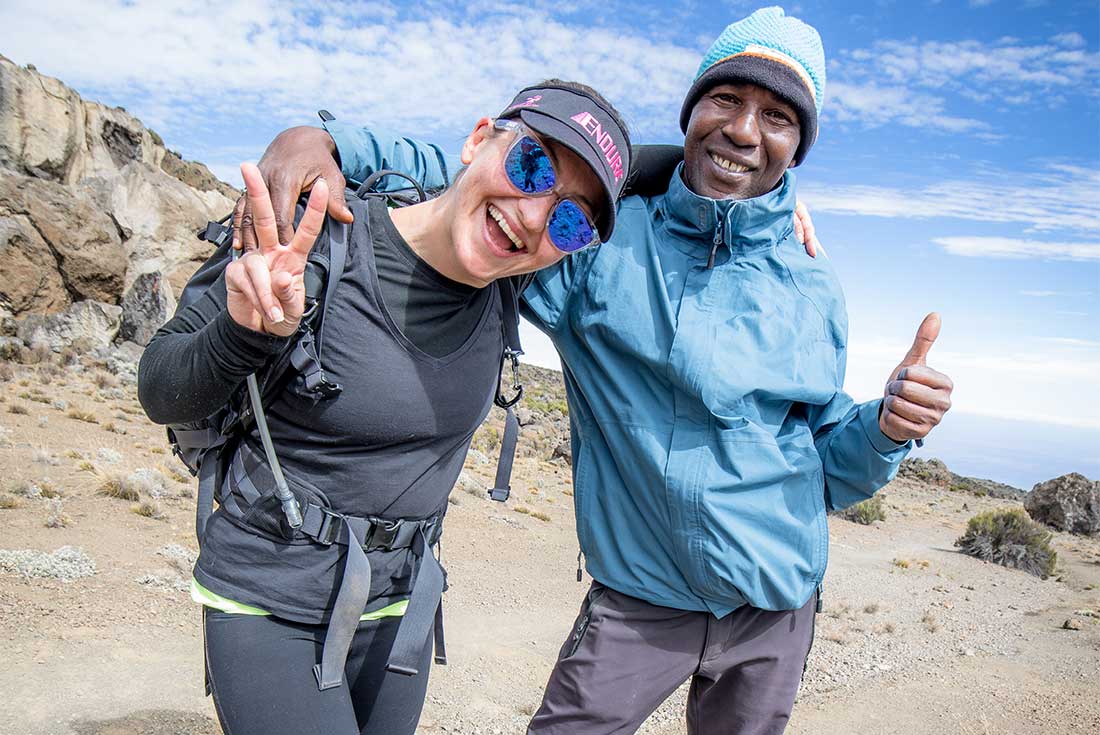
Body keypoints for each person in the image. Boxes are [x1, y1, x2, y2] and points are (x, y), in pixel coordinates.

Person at [235, 7, 955, 735]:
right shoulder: (595, 243)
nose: (743, 128)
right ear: (692, 110)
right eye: (726, 99)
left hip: (776, 610)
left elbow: (828, 463)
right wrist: (327, 141)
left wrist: (887, 427)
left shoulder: (810, 283)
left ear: (798, 147)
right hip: (639, 603)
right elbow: (487, 176)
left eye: (777, 115)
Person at [137, 80, 633, 735]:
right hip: (273, 595)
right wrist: (243, 332)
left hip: (404, 604)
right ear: (478, 139)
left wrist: (750, 173)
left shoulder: (511, 280)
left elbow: (678, 168)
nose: (535, 215)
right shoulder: (314, 234)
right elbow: (159, 385)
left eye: (571, 220)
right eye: (531, 164)